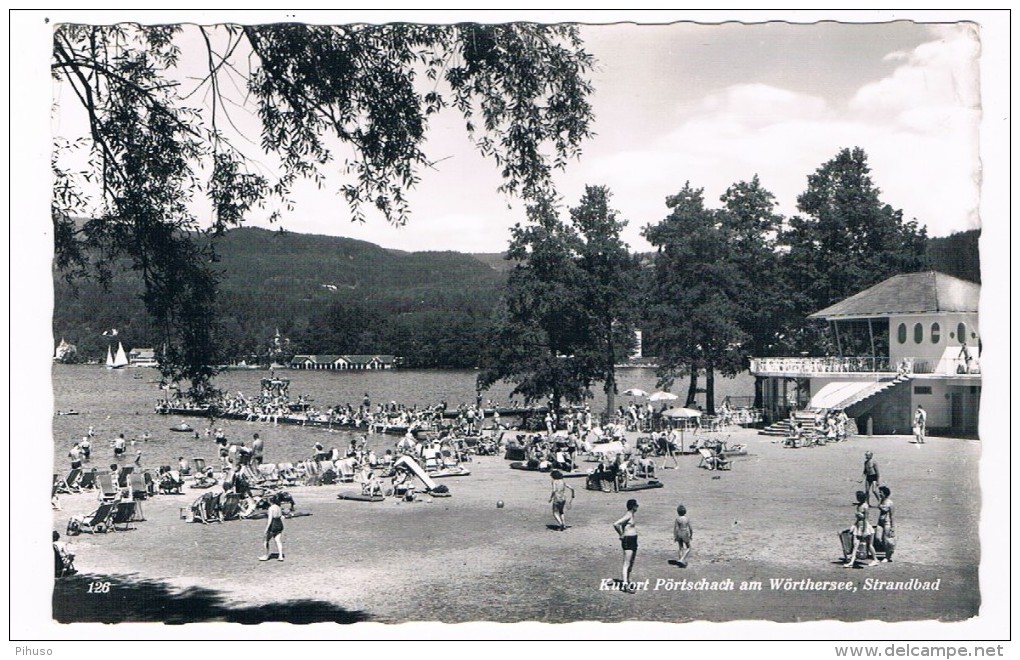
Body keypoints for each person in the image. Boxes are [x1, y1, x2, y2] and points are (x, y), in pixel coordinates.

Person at [845, 491, 878, 567]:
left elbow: (866, 519)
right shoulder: (858, 506)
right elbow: (858, 519)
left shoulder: (865, 506)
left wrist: (864, 530)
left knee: (869, 545)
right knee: (855, 544)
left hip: (864, 527)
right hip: (858, 526)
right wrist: (854, 525)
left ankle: (875, 559)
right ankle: (852, 562)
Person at [613, 499, 640, 592]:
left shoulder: (631, 515)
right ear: (633, 506)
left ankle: (627, 581)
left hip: (633, 539)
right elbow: (616, 524)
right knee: (627, 563)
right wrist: (621, 534)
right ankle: (625, 584)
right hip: (628, 540)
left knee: (631, 562)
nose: (637, 507)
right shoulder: (628, 515)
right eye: (636, 505)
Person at [260, 494, 285, 561]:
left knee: (266, 541)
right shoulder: (278, 507)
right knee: (278, 541)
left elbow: (270, 520)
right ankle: (280, 556)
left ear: (270, 501)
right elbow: (281, 516)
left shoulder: (271, 508)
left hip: (273, 524)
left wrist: (266, 528)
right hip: (279, 524)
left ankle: (266, 555)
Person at [875, 486, 896, 563]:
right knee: (877, 538)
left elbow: (892, 515)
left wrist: (892, 527)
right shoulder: (881, 501)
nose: (879, 493)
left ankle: (887, 556)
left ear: (885, 493)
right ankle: (885, 551)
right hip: (880, 522)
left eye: (881, 492)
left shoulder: (890, 503)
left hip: (887, 523)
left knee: (885, 540)